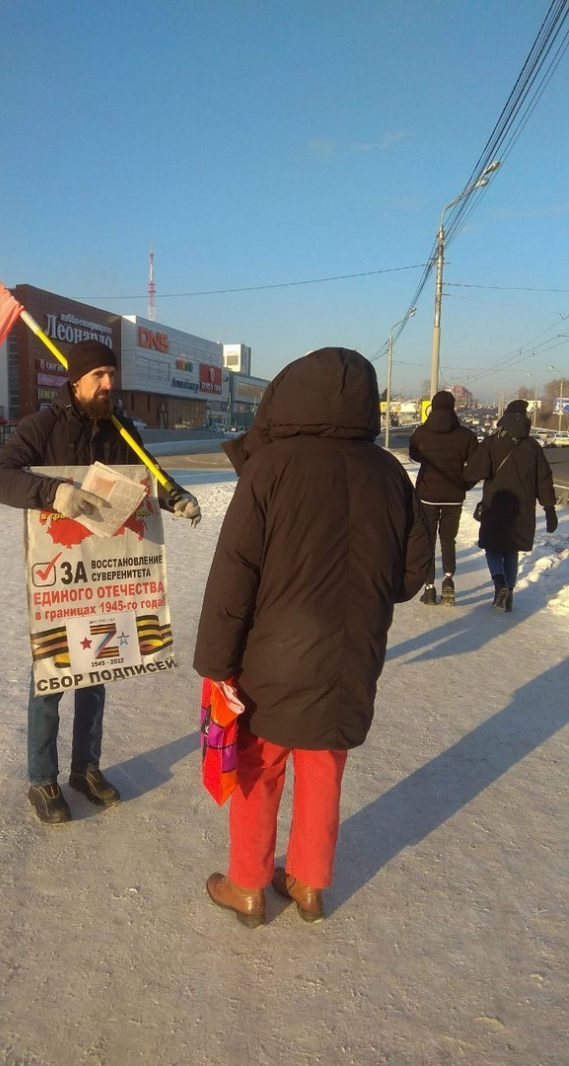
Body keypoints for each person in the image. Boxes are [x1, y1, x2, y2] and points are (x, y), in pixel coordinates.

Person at [193, 347, 432, 927]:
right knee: (324, 766)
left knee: (260, 767)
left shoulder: (271, 468)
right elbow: (410, 575)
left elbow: (235, 573)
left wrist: (216, 661)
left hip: (273, 656)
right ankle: (308, 882)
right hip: (352, 654)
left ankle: (248, 886)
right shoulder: (388, 472)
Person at [0, 338, 201, 824]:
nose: (109, 384)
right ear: (76, 380)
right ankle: (42, 779)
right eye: (99, 376)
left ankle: (86, 768)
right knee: (51, 678)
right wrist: (54, 492)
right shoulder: (40, 427)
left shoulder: (120, 428)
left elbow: (151, 477)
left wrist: (176, 496)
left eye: (112, 374)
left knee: (98, 673)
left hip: (107, 575)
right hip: (61, 576)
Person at [464, 404, 557, 612]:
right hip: (522, 509)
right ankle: (510, 595)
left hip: (495, 505)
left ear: (505, 416)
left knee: (493, 549)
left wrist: (460, 485)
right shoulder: (533, 447)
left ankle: (499, 585)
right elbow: (543, 478)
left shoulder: (491, 443)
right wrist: (549, 509)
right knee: (511, 552)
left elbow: (473, 472)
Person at [408, 390, 478, 605]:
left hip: (427, 495)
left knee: (428, 540)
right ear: (453, 408)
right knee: (448, 540)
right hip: (454, 497)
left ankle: (429, 588)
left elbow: (414, 455)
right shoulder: (466, 435)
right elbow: (477, 464)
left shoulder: (422, 432)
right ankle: (448, 581)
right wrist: (464, 484)